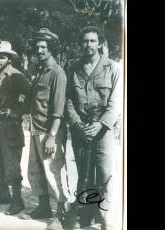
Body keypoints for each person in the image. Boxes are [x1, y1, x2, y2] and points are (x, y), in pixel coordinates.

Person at [65, 26, 122, 230]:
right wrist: (77, 124)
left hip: (103, 130)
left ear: (100, 44)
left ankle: (104, 214)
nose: (88, 45)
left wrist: (100, 124)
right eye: (85, 41)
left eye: (92, 41)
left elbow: (116, 103)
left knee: (105, 174)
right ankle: (86, 213)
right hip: (80, 130)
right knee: (83, 173)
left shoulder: (113, 68)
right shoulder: (73, 68)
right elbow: (69, 99)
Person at [24, 28, 71, 230]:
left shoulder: (57, 73)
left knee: (54, 172)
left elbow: (58, 110)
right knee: (35, 171)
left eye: (44, 47)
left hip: (49, 131)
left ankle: (62, 214)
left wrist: (52, 136)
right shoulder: (40, 72)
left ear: (51, 48)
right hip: (35, 129)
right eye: (37, 47)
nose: (40, 50)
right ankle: (44, 207)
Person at [0, 41, 30, 215]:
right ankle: (4, 193)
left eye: (2, 57)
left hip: (10, 126)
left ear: (9, 59)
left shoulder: (15, 76)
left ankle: (18, 200)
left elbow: (30, 95)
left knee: (12, 164)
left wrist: (16, 112)